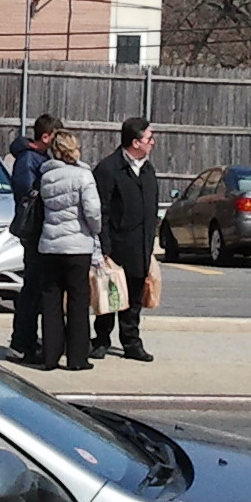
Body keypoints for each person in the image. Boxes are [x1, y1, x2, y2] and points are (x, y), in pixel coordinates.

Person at [92, 116, 159, 362]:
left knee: (133, 301)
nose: (153, 142)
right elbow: (102, 209)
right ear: (135, 142)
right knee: (110, 297)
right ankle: (100, 340)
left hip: (140, 247)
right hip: (116, 247)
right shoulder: (109, 169)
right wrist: (105, 246)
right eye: (149, 138)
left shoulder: (148, 170)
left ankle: (131, 343)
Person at [34, 130, 101, 372]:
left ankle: (50, 356)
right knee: (77, 301)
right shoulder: (84, 176)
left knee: (50, 300)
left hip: (50, 244)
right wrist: (95, 230)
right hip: (77, 246)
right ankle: (77, 358)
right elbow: (93, 212)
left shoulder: (46, 176)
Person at [7, 113, 60, 361]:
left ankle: (28, 339)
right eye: (55, 136)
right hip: (34, 231)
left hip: (41, 231)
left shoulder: (39, 157)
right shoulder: (29, 159)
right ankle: (22, 342)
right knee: (32, 289)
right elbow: (26, 194)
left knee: (37, 289)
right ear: (46, 136)